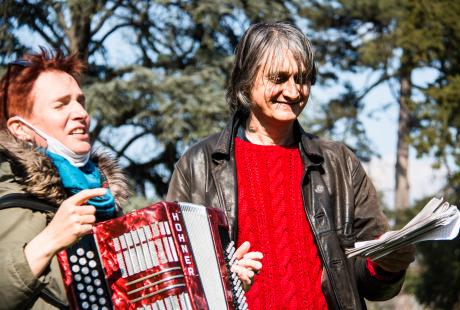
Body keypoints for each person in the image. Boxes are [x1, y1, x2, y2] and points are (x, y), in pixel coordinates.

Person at [167, 21, 415, 309]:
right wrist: (222, 279)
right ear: (246, 80)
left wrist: (387, 266)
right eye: (279, 78)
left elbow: (365, 281)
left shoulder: (339, 164)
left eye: (303, 79)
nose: (294, 91)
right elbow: (175, 279)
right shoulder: (198, 165)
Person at [0, 49, 261, 309]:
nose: (82, 113)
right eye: (61, 104)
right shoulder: (11, 197)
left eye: (81, 101)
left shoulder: (102, 199)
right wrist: (49, 241)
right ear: (21, 129)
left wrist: (224, 282)